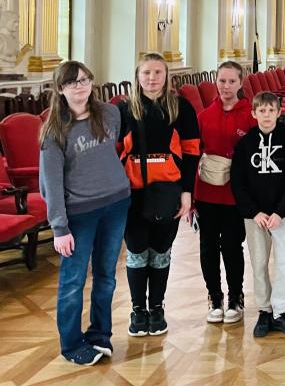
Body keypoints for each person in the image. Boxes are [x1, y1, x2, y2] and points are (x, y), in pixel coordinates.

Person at [40, 61, 130, 365]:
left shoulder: (110, 113)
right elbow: (50, 184)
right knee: (73, 281)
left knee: (106, 276)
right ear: (60, 89)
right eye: (72, 82)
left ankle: (100, 334)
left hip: (116, 204)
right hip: (79, 214)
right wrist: (59, 228)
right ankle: (71, 344)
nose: (80, 86)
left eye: (84, 80)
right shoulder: (54, 131)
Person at [117, 53, 200, 337]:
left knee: (161, 251)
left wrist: (188, 192)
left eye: (157, 72)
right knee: (137, 251)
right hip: (132, 193)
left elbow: (191, 152)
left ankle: (156, 307)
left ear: (166, 76)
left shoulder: (181, 108)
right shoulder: (123, 109)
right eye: (146, 73)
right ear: (137, 76)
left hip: (169, 191)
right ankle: (137, 309)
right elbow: (114, 152)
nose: (152, 78)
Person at [232, 91, 285, 337]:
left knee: (284, 263)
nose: (266, 115)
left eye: (271, 110)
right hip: (256, 217)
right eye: (261, 110)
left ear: (279, 112)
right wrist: (254, 212)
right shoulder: (245, 144)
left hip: (280, 214)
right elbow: (238, 183)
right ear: (253, 113)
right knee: (259, 262)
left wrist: (281, 211)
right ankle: (264, 310)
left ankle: (280, 311)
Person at [194, 61, 255, 325]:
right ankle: (214, 297)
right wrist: (190, 197)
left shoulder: (251, 116)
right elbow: (194, 154)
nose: (226, 86)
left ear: (241, 83)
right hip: (206, 192)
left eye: (232, 81)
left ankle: (235, 297)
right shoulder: (203, 116)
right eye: (222, 81)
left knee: (232, 246)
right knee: (208, 246)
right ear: (216, 82)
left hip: (235, 194)